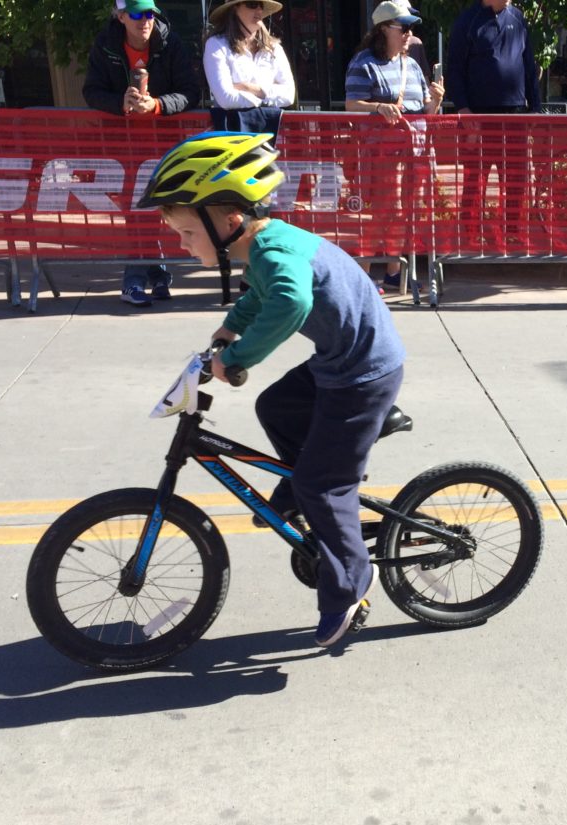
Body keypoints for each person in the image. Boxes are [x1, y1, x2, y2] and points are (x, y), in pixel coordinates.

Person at [137, 132, 406, 648]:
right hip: (341, 361)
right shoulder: (261, 245)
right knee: (276, 405)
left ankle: (351, 583)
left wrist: (234, 360)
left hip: (365, 373)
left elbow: (288, 303)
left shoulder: (274, 253)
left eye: (188, 232)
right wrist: (228, 330)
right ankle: (310, 477)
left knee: (323, 487)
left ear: (228, 220)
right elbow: (258, 297)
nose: (182, 243)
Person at [83, 0, 200, 307]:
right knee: (136, 212)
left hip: (166, 143)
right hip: (125, 145)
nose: (144, 20)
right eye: (136, 14)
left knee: (165, 210)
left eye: (150, 13)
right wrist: (120, 103)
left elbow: (191, 91)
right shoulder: (105, 44)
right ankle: (136, 280)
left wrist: (157, 106)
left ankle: (158, 273)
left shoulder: (171, 42)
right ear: (121, 17)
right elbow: (91, 92)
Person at [344, 1, 444, 292]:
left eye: (411, 29)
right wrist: (379, 108)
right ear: (383, 30)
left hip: (414, 150)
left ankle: (393, 274)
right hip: (382, 153)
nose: (409, 35)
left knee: (405, 213)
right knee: (382, 213)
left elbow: (426, 110)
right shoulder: (364, 63)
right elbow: (352, 105)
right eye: (404, 28)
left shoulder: (411, 64)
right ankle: (364, 277)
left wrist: (436, 100)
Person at [446, 0, 540, 252]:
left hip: (516, 116)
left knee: (517, 180)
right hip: (478, 117)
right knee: (475, 179)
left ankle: (513, 233)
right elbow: (453, 69)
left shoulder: (518, 18)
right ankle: (470, 236)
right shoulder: (468, 20)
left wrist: (536, 109)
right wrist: (464, 110)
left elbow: (529, 65)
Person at [203, 0, 294, 133]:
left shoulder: (275, 49)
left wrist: (247, 88)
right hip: (231, 137)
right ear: (235, 9)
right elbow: (225, 99)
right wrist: (265, 97)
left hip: (272, 137)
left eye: (261, 6)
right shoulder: (216, 45)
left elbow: (289, 95)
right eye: (252, 4)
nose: (258, 10)